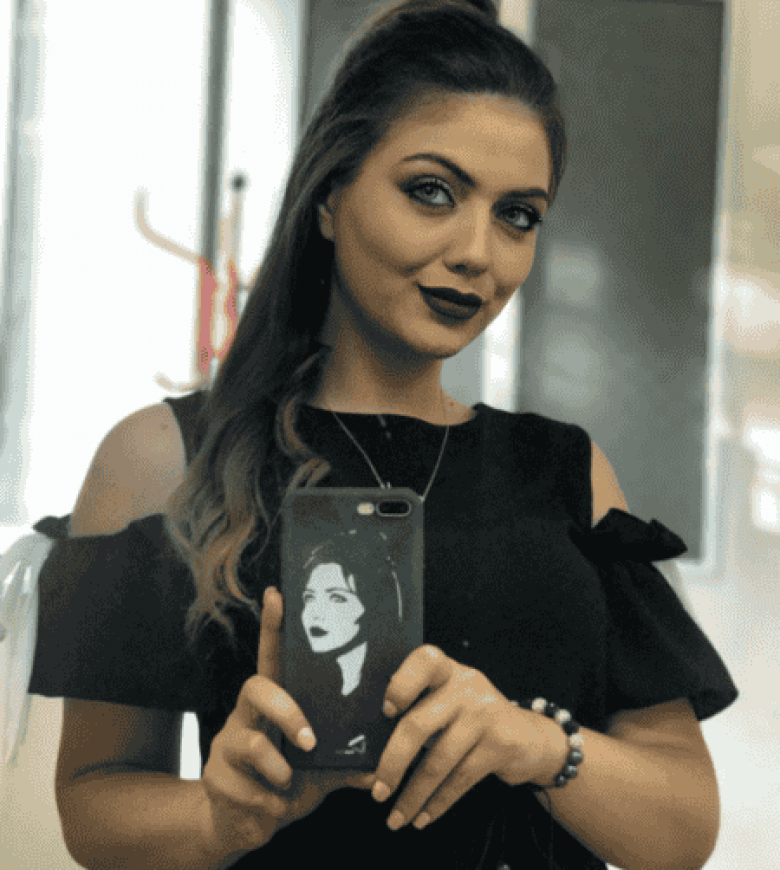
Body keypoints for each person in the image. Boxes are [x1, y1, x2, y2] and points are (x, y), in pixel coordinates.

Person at [16, 1, 739, 868]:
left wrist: (534, 744)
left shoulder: (568, 473)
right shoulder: (165, 460)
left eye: (518, 214)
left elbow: (683, 831)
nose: (478, 252)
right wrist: (221, 818)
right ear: (330, 195)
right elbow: (93, 805)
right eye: (432, 192)